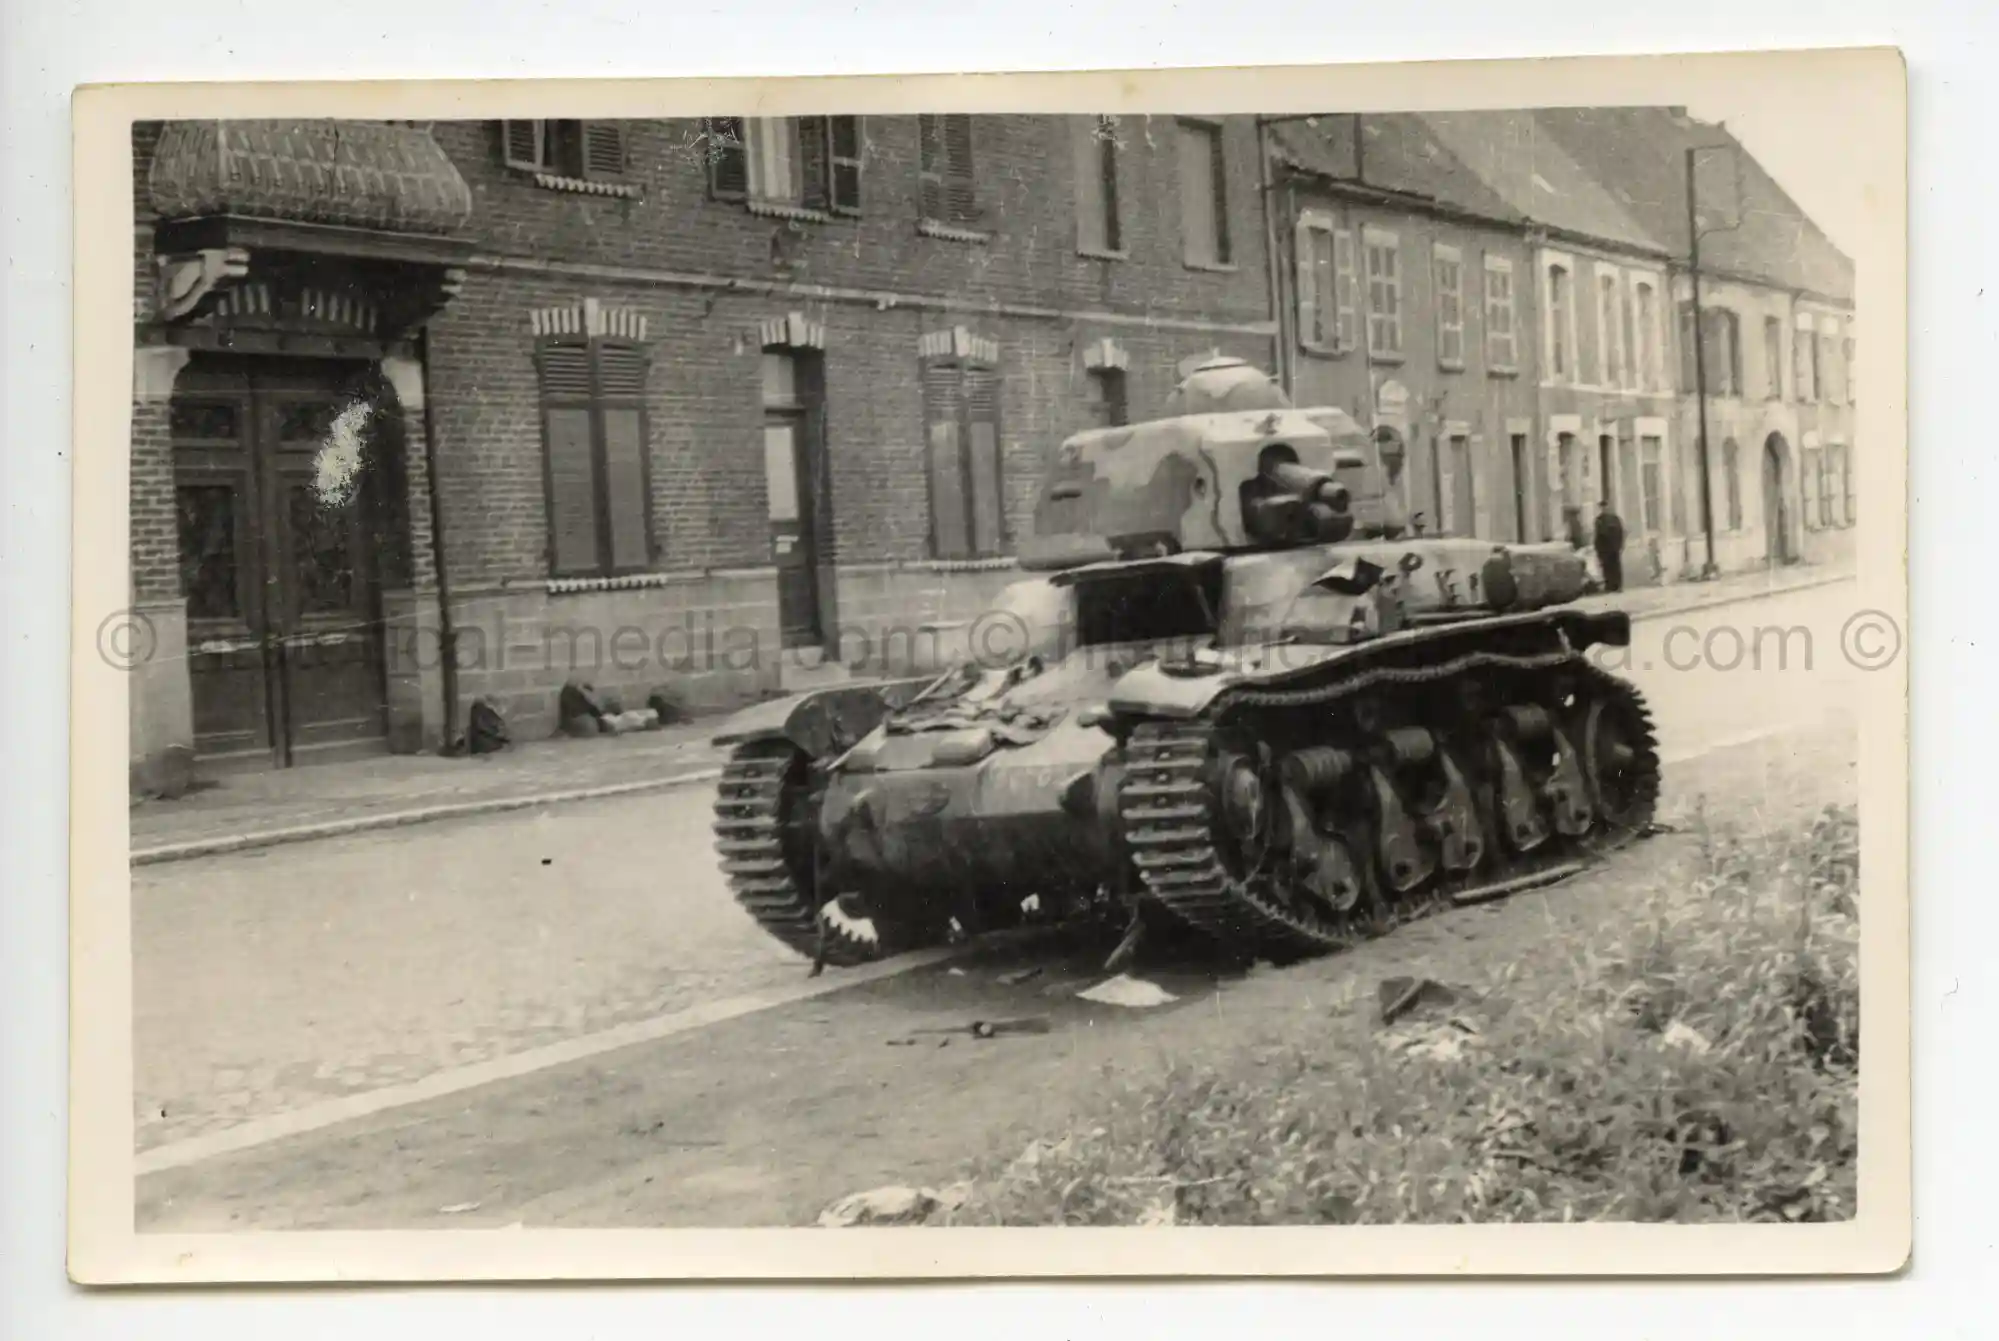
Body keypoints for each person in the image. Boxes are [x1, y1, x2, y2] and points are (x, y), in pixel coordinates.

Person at [1593, 499, 1627, 593]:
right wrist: (1597, 547)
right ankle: (1609, 585)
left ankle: (1618, 586)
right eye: (1602, 507)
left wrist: (1620, 545)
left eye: (1605, 507)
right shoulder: (1599, 520)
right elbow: (1598, 535)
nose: (1604, 509)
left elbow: (1621, 532)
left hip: (1614, 547)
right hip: (1604, 548)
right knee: (1606, 567)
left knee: (1615, 567)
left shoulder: (1615, 519)